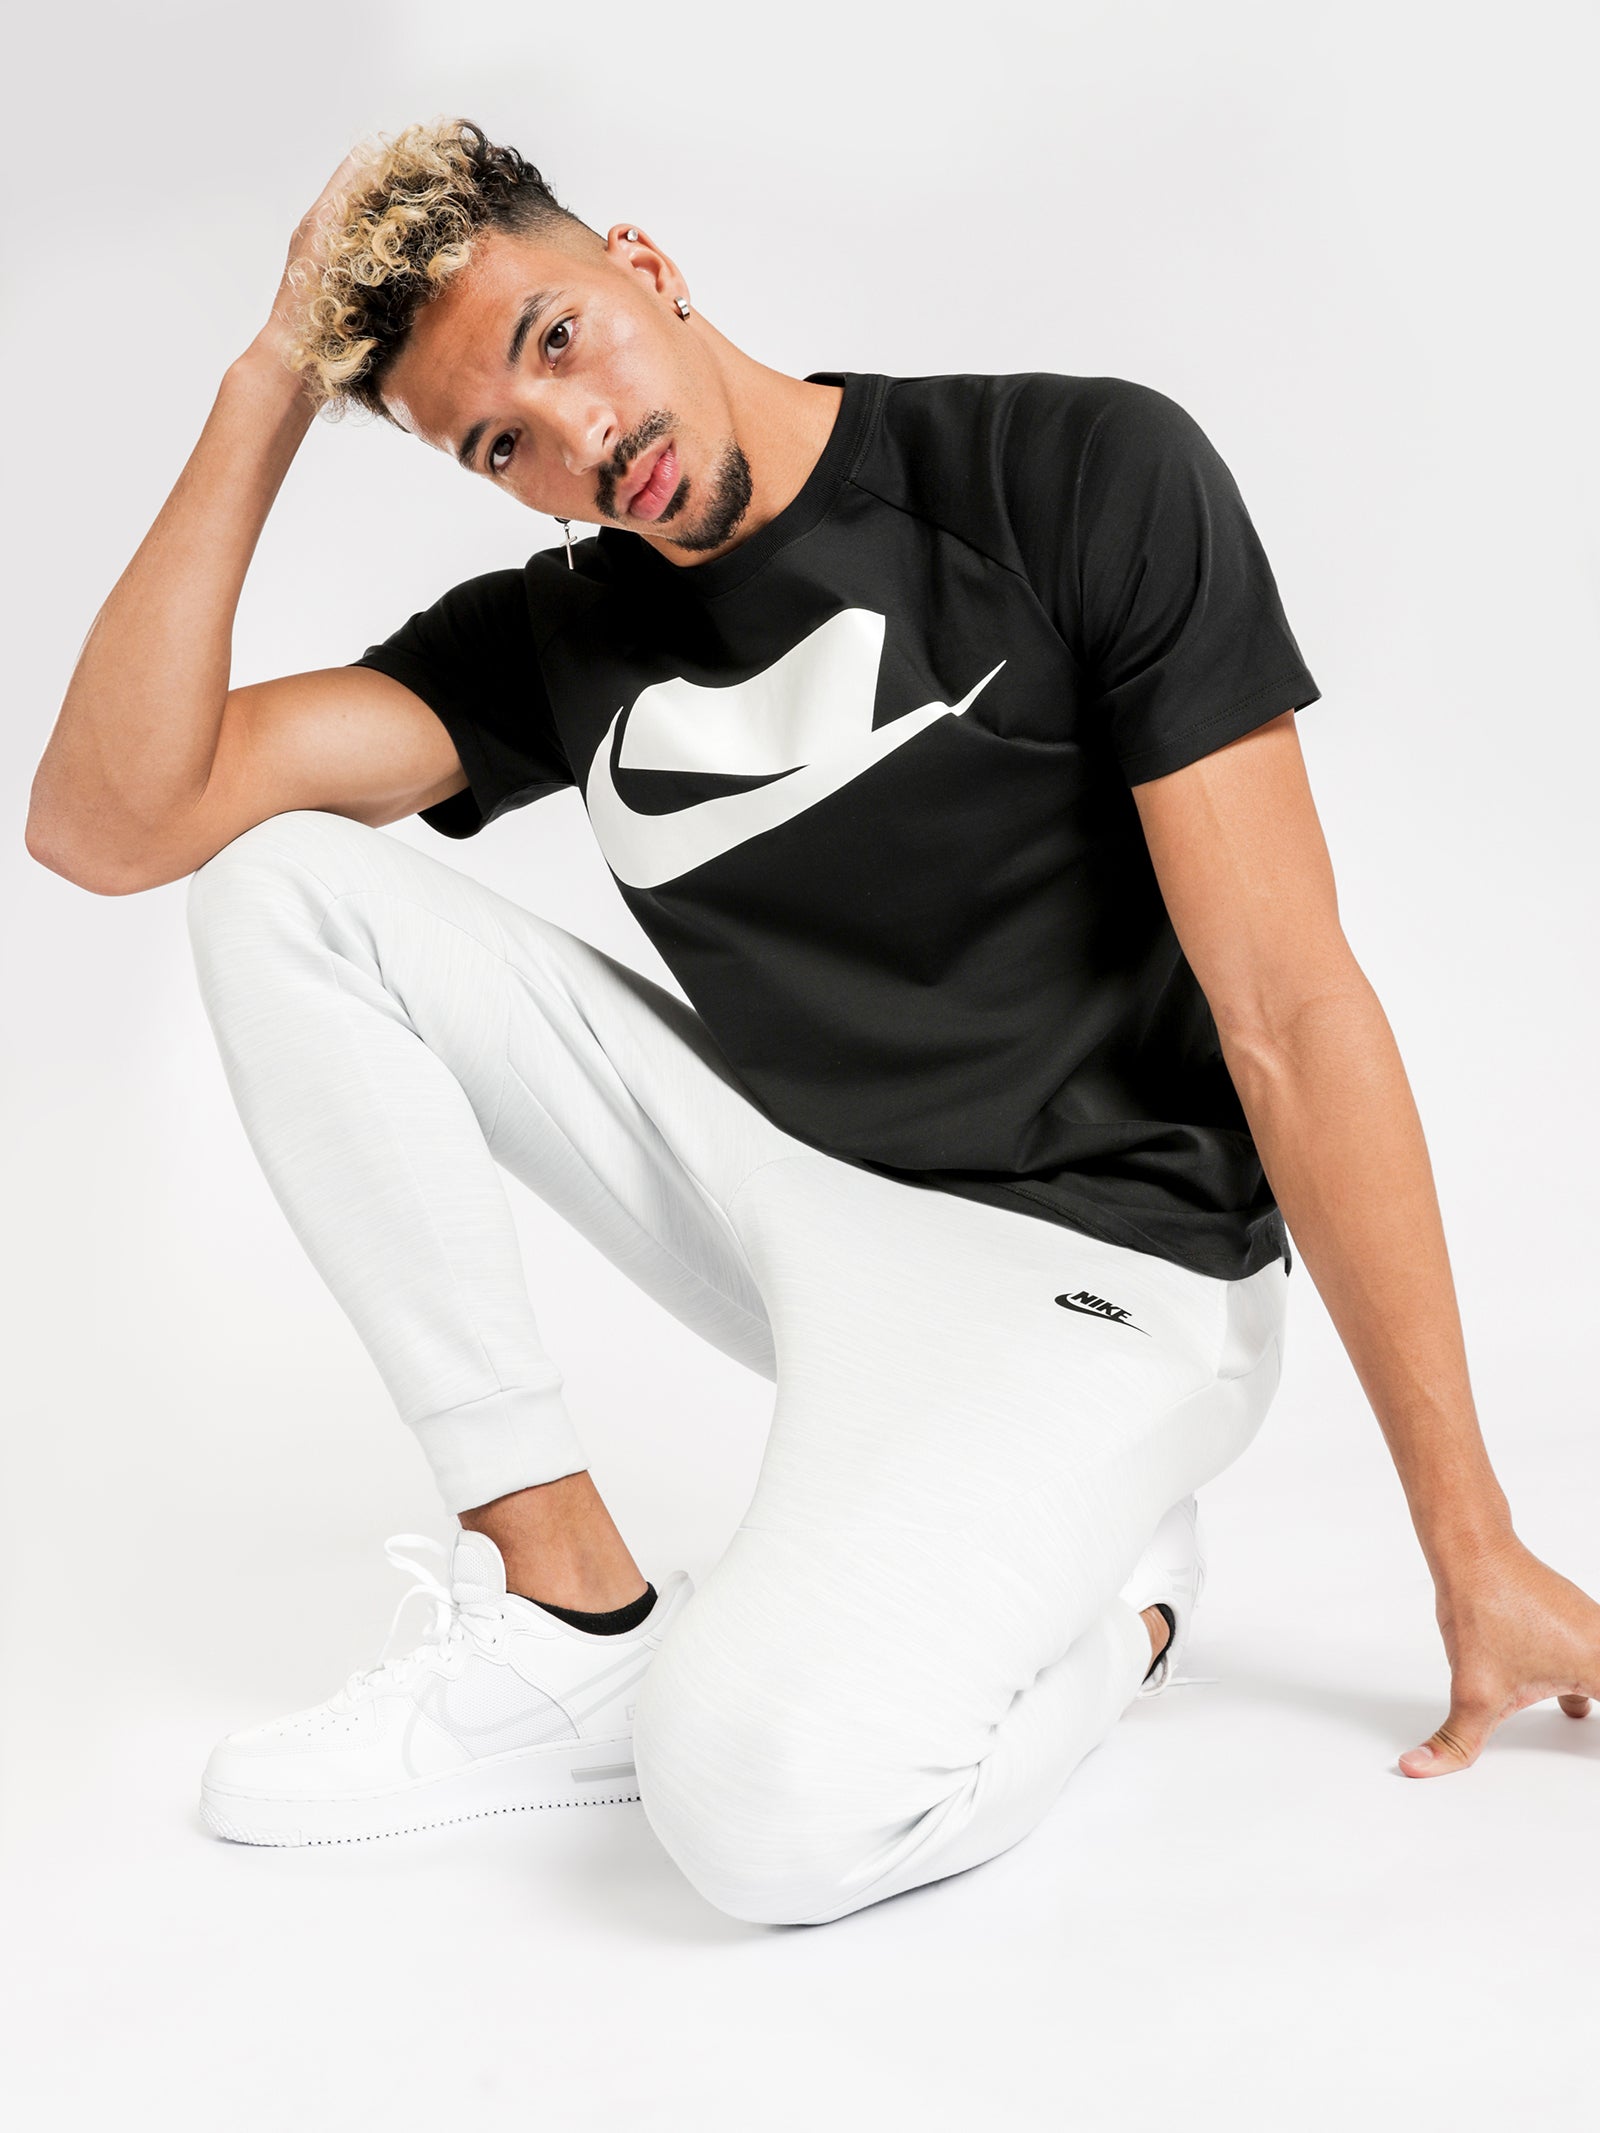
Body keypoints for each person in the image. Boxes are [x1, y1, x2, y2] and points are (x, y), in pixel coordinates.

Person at [27, 117, 1598, 1925]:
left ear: (645, 263)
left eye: (559, 339)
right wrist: (269, 381)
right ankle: (568, 1611)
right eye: (500, 446)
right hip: (809, 1202)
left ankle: (1131, 1617)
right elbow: (109, 824)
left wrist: (1471, 1544)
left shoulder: (1068, 474)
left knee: (757, 1812)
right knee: (277, 885)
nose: (577, 439)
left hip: (1113, 1277)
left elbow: (1295, 1016)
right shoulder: (557, 640)